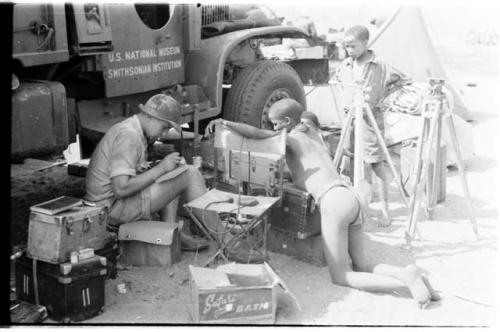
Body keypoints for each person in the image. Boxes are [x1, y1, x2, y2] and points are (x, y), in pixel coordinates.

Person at [205, 98, 438, 308]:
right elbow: (303, 170)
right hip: (350, 195)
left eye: (275, 123)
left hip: (334, 202)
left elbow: (256, 134)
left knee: (342, 276)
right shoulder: (312, 132)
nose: (273, 128)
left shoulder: (291, 139)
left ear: (286, 122)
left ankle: (407, 282)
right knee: (363, 265)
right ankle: (406, 273)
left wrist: (225, 123)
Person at [84, 94, 209, 251]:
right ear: (150, 117)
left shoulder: (133, 128)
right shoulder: (129, 135)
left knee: (175, 172)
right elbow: (121, 189)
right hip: (108, 212)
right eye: (164, 127)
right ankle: (225, 238)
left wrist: (162, 169)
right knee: (189, 174)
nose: (163, 134)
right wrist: (161, 168)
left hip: (107, 207)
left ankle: (172, 233)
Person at [334, 25, 412, 226]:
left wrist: (382, 98)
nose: (349, 50)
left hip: (370, 119)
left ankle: (386, 211)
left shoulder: (381, 65)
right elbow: (338, 82)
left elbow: (405, 80)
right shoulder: (345, 64)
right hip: (350, 119)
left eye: (352, 46)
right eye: (346, 46)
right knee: (352, 161)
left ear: (365, 43)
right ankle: (357, 207)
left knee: (376, 163)